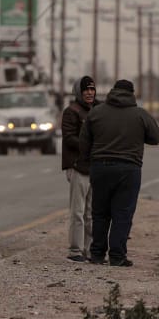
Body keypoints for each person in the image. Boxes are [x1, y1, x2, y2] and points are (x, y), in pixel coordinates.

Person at [78, 79, 159, 267]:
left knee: (99, 213)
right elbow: (155, 138)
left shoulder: (96, 113)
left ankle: (97, 254)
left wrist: (89, 162)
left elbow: (84, 143)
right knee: (122, 214)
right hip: (128, 169)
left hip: (100, 168)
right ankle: (117, 256)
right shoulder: (140, 114)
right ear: (132, 93)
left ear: (112, 91)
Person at [61, 75, 97, 262]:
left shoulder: (98, 110)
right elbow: (69, 138)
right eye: (86, 90)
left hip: (94, 168)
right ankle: (75, 250)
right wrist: (89, 145)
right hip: (78, 167)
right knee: (77, 211)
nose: (89, 93)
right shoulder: (71, 112)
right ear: (78, 92)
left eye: (92, 89)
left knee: (91, 212)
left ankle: (90, 250)